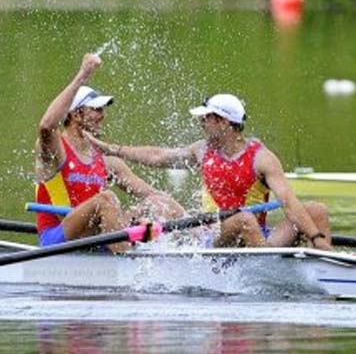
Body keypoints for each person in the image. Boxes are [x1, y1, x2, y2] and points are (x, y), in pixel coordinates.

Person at [87, 93, 333, 250]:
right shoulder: (201, 150)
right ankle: (269, 268)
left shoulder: (262, 159)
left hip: (258, 236)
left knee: (316, 210)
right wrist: (112, 149)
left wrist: (316, 236)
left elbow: (288, 202)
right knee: (243, 219)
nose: (201, 123)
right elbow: (158, 156)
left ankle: (327, 260)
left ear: (224, 122)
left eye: (206, 119)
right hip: (212, 237)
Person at [35, 53, 185, 253]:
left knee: (160, 202)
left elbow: (152, 195)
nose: (103, 115)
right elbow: (46, 126)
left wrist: (143, 215)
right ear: (76, 114)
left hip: (94, 236)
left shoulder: (108, 163)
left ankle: (202, 244)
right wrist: (83, 75)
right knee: (107, 199)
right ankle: (126, 264)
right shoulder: (56, 151)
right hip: (57, 239)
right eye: (97, 109)